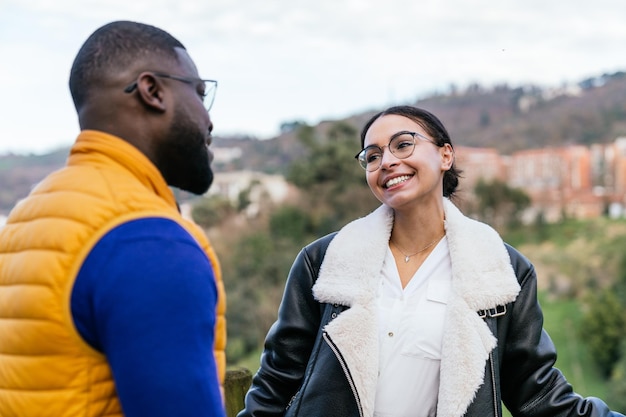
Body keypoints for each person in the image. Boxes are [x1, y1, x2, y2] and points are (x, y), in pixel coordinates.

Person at [238, 105, 624, 417]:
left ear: (445, 154)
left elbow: (537, 393)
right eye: (372, 156)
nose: (386, 161)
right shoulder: (322, 262)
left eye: (403, 144)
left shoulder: (502, 271)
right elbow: (276, 383)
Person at [0, 21, 226, 417]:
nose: (209, 122)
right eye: (200, 93)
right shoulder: (151, 243)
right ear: (152, 91)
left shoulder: (27, 217)